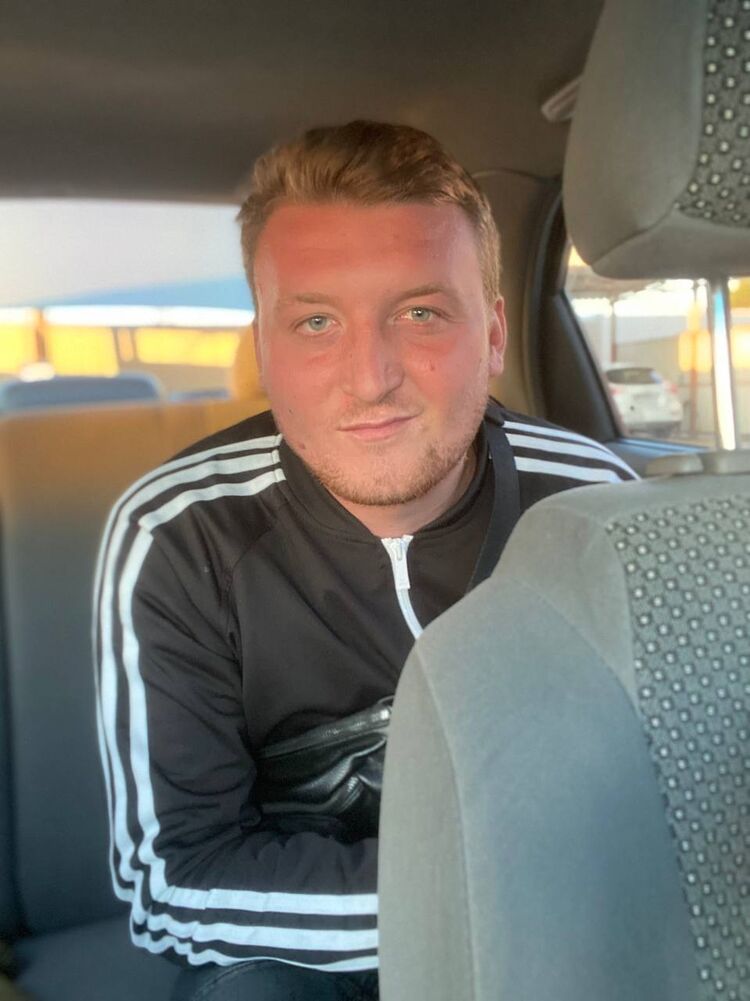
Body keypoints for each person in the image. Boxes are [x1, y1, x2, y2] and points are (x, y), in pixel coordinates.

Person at [94, 120, 636, 1001]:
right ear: (263, 350)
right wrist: (496, 902)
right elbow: (177, 881)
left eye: (420, 312)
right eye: (315, 322)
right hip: (309, 964)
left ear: (493, 334)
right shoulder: (178, 536)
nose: (371, 376)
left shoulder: (594, 504)